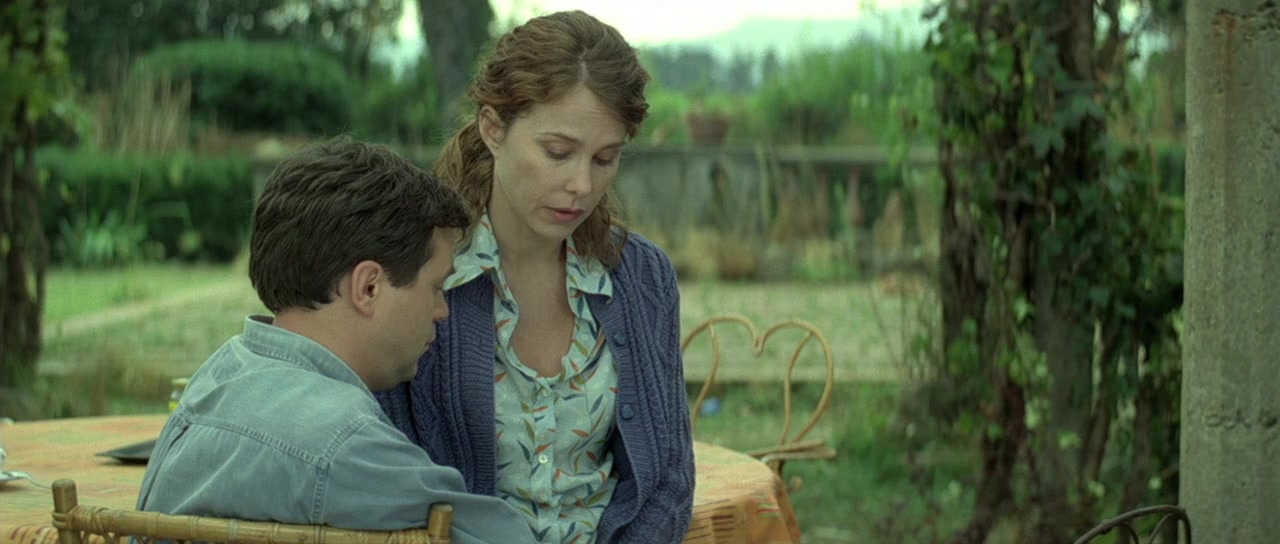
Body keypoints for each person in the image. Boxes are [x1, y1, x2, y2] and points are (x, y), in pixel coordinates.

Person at [376, 10, 695, 544]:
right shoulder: (418, 271)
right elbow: (393, 477)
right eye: (558, 152)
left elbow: (668, 481)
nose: (581, 185)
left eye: (605, 158)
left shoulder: (642, 277)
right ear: (492, 128)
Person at [136, 137, 531, 543]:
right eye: (435, 287)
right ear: (368, 288)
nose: (441, 311)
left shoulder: (215, 378)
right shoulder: (347, 444)